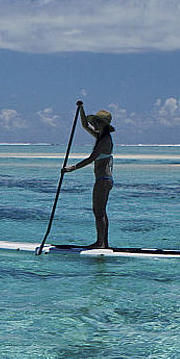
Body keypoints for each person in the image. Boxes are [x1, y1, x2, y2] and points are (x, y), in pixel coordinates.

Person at [66, 102, 115, 249]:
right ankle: (103, 242)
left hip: (103, 179)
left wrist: (72, 168)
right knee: (101, 211)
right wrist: (81, 109)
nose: (95, 125)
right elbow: (84, 125)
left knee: (98, 212)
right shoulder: (100, 136)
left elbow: (91, 158)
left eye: (98, 122)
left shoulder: (104, 140)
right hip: (103, 179)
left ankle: (100, 243)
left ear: (103, 124)